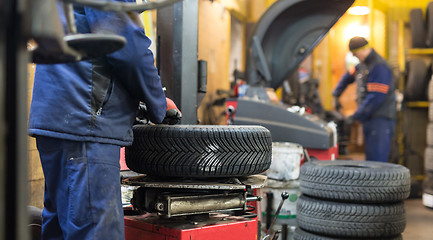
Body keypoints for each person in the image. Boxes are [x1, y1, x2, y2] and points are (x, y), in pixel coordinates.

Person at [28, 2, 181, 239]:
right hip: (86, 123)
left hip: (57, 117)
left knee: (60, 226)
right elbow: (127, 46)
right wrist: (158, 103)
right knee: (95, 231)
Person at [332, 36, 396, 162]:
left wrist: (356, 115)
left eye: (356, 54)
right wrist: (336, 93)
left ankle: (379, 182)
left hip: (380, 120)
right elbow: (348, 77)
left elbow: (375, 97)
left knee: (377, 162)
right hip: (371, 119)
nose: (355, 57)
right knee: (371, 160)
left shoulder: (379, 66)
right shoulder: (363, 65)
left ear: (363, 50)